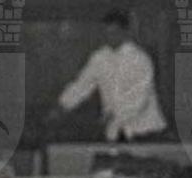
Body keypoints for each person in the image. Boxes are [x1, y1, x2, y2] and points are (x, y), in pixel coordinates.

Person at [54, 9, 167, 143]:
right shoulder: (99, 58)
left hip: (146, 131)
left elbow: (138, 98)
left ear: (125, 32)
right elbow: (82, 85)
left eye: (115, 32)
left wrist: (112, 115)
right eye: (107, 32)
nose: (110, 37)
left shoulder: (140, 59)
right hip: (115, 133)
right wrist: (63, 105)